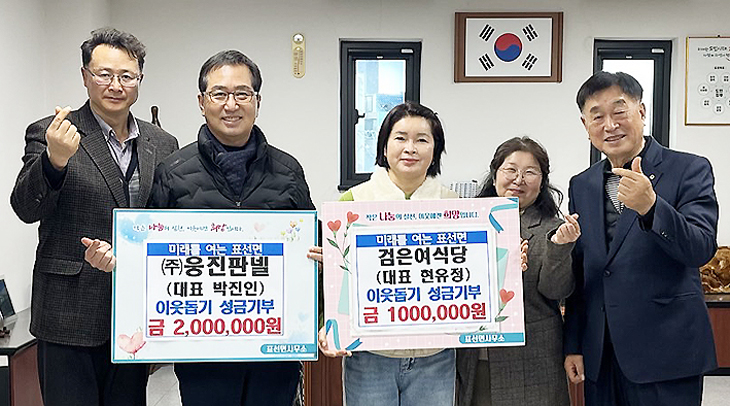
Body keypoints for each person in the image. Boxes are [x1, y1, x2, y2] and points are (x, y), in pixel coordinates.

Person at [10, 28, 178, 405]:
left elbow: (167, 220)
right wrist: (54, 161)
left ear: (139, 80)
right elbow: (25, 207)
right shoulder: (53, 131)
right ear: (85, 76)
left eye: (126, 76)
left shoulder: (162, 143)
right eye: (104, 74)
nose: (115, 85)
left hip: (134, 315)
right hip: (68, 314)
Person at [146, 50, 315, 406]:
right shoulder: (172, 172)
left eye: (242, 94)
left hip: (274, 351)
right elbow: (150, 259)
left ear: (257, 102)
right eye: (219, 94)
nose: (231, 105)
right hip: (202, 353)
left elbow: (312, 251)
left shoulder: (288, 171)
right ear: (201, 102)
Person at [563, 71, 718, 406]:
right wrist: (574, 343)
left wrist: (652, 207)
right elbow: (583, 271)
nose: (610, 125)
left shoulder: (689, 169)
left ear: (642, 111)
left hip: (667, 351)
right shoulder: (582, 184)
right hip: (601, 354)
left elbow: (700, 248)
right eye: (597, 117)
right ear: (585, 125)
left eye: (619, 111)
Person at [318, 101, 459, 406]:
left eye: (422, 140)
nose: (410, 148)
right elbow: (334, 279)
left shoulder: (455, 205)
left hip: (435, 355)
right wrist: (329, 322)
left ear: (435, 150)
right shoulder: (353, 201)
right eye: (400, 138)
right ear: (384, 146)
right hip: (370, 354)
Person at [456, 136, 580, 406]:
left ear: (542, 181)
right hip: (476, 358)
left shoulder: (552, 228)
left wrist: (560, 247)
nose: (518, 180)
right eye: (510, 170)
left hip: (533, 362)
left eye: (530, 172)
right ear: (495, 175)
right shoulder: (466, 222)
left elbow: (556, 291)